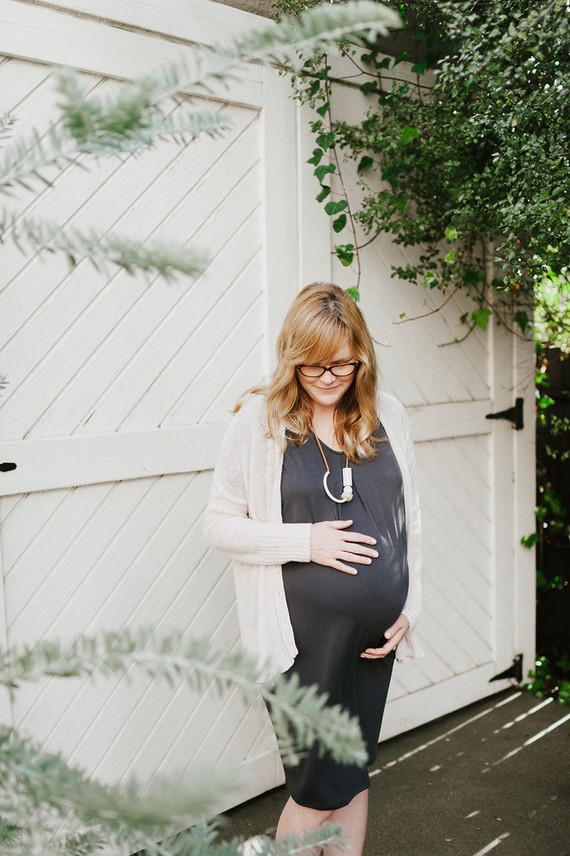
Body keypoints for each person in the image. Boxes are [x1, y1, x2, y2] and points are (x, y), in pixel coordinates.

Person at [203, 282, 422, 856]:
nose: (329, 378)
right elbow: (218, 524)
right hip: (301, 643)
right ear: (292, 358)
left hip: (373, 640)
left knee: (351, 769)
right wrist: (306, 541)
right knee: (318, 786)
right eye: (315, 366)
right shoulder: (260, 424)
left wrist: (409, 607)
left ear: (361, 359)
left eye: (344, 365)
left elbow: (411, 520)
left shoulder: (387, 414)